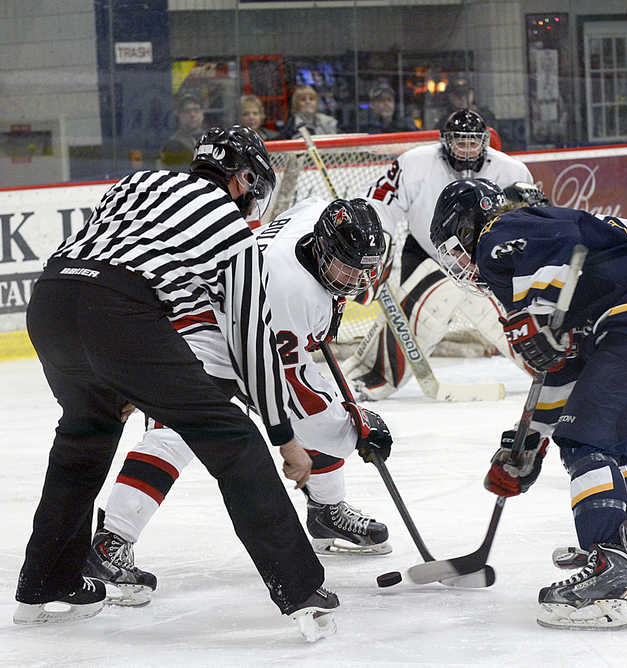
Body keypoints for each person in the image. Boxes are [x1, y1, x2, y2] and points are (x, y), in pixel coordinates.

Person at [15, 125, 338, 642]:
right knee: (234, 441)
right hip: (116, 313)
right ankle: (302, 593)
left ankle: (45, 586)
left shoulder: (138, 182)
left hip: (52, 299)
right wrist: (284, 437)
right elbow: (251, 340)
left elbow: (98, 261)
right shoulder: (232, 231)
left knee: (83, 437)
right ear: (244, 178)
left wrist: (118, 376)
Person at [429, 178, 627, 630]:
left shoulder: (497, 234)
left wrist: (534, 312)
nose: (460, 262)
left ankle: (607, 571)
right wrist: (528, 446)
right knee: (607, 430)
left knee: (584, 436)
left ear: (468, 224)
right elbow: (562, 374)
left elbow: (566, 244)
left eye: (453, 247)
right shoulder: (536, 248)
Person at [83, 197, 394, 606]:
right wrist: (357, 431)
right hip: (202, 337)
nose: (355, 280)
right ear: (321, 247)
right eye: (346, 267)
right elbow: (296, 401)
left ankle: (326, 511)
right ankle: (110, 542)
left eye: (362, 268)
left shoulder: (313, 215)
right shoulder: (290, 291)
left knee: (328, 402)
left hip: (243, 325)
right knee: (174, 437)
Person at [341, 108, 533, 399]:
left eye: (473, 142)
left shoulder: (512, 171)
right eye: (460, 142)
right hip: (427, 252)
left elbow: (530, 219)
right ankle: (369, 377)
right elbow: (380, 202)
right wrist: (378, 250)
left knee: (505, 312)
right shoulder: (414, 163)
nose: (467, 150)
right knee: (423, 315)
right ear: (445, 141)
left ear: (485, 142)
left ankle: (547, 365)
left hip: (485, 259)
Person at [156, 94, 204, 169]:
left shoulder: (213, 139)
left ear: (202, 113)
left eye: (196, 110)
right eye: (187, 111)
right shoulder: (172, 145)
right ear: (179, 115)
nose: (192, 114)